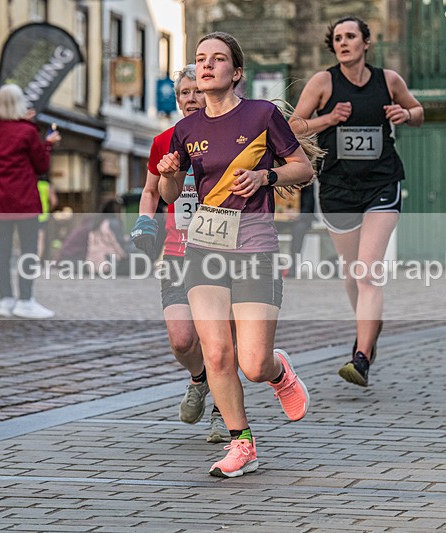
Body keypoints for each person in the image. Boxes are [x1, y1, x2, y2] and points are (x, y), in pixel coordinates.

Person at [157, 32, 313, 477]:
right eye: (201, 58)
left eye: (217, 58)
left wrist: (265, 177)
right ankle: (241, 443)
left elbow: (303, 167)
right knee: (217, 353)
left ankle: (279, 372)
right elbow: (170, 194)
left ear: (236, 71)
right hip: (204, 246)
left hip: (254, 244)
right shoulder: (186, 130)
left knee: (253, 362)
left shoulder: (261, 115)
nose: (206, 65)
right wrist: (168, 174)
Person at [289, 16, 423, 387]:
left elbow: (418, 112)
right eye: (338, 38)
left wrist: (405, 113)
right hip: (337, 188)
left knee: (367, 272)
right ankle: (368, 328)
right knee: (353, 274)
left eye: (351, 36)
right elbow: (293, 126)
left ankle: (361, 356)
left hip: (382, 183)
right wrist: (329, 119)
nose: (344, 43)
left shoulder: (388, 80)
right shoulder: (323, 82)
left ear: (366, 42)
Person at [130, 64, 230, 444]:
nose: (191, 98)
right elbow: (151, 191)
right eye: (183, 93)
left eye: (197, 91)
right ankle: (199, 379)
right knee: (182, 340)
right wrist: (145, 220)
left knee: (220, 338)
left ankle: (223, 413)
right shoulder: (164, 141)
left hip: (221, 251)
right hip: (177, 251)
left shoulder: (229, 137)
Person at [0, 84, 60, 320]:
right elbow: (41, 165)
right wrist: (48, 144)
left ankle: (5, 300)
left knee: (3, 251)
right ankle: (25, 300)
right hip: (24, 199)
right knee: (28, 250)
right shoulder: (27, 131)